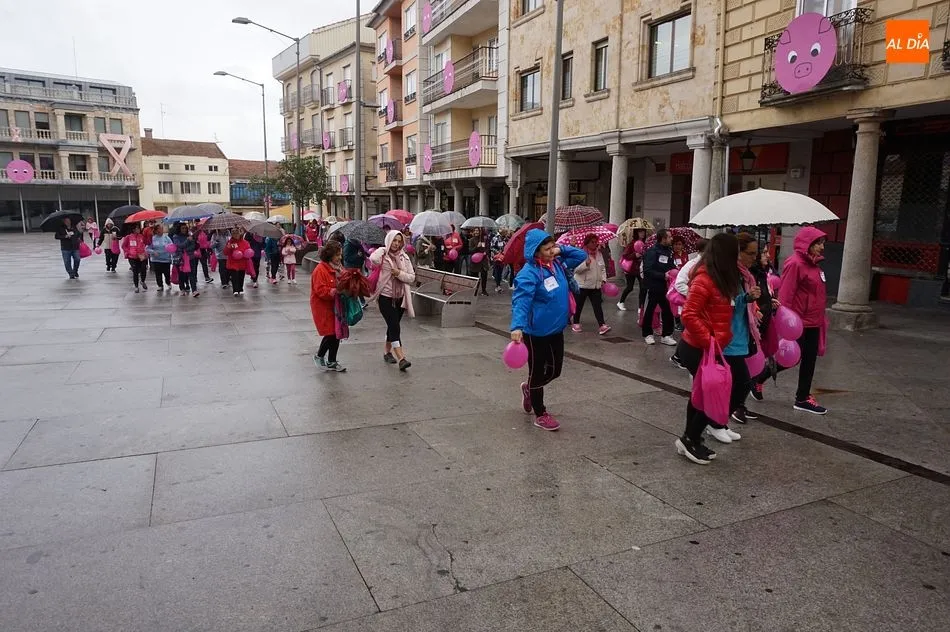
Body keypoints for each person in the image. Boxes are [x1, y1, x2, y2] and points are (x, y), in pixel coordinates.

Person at [673, 233, 743, 464]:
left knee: (702, 394)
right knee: (711, 395)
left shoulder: (719, 278)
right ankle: (690, 439)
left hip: (709, 347)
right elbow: (689, 315)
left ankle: (690, 438)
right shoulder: (704, 278)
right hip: (697, 347)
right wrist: (709, 340)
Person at [510, 229, 588, 431]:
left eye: (553, 247)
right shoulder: (528, 274)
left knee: (555, 371)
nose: (552, 251)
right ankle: (540, 413)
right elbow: (521, 301)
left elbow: (581, 255)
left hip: (557, 328)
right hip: (536, 332)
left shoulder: (558, 264)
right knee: (537, 373)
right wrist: (517, 326)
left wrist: (561, 249)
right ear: (535, 252)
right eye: (547, 249)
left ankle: (529, 388)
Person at [772, 227, 829, 415]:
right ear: (807, 244)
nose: (821, 247)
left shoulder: (815, 265)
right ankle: (759, 377)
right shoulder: (795, 263)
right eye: (818, 243)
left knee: (809, 360)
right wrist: (785, 324)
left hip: (814, 322)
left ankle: (802, 398)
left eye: (823, 243)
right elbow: (786, 295)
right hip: (798, 323)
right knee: (791, 359)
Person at [369, 230, 416, 371]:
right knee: (395, 326)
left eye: (399, 241)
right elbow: (373, 259)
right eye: (394, 240)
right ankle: (401, 358)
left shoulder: (404, 257)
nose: (396, 244)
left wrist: (399, 273)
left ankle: (387, 352)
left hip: (400, 297)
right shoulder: (383, 255)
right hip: (385, 297)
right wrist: (383, 249)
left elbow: (411, 277)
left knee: (392, 325)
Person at [670, 238, 709, 369]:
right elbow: (679, 284)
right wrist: (695, 295)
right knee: (689, 332)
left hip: (702, 307)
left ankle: (678, 357)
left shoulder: (708, 265)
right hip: (691, 306)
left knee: (691, 333)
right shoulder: (692, 265)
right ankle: (679, 357)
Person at [310, 240, 347, 372]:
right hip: (324, 307)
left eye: (340, 254)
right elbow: (320, 290)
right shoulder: (320, 270)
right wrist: (335, 291)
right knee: (331, 333)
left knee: (337, 333)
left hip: (336, 306)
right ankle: (320, 355)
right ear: (330, 254)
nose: (340, 257)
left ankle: (332, 360)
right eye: (337, 255)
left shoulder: (339, 268)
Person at [748, 249, 780, 403]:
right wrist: (755, 309)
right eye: (764, 252)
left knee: (762, 353)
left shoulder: (762, 273)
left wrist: (769, 300)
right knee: (752, 355)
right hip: (755, 322)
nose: (768, 255)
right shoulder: (751, 274)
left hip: (765, 319)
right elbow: (748, 297)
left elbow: (762, 294)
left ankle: (754, 383)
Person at [640, 228, 678, 346]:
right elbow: (647, 270)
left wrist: (675, 270)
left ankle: (666, 335)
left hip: (665, 287)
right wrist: (663, 275)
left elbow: (670, 265)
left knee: (667, 311)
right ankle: (647, 334)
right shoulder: (652, 252)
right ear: (663, 238)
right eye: (669, 237)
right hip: (652, 286)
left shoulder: (669, 252)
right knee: (650, 310)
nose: (671, 239)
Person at [571, 233, 611, 335]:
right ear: (587, 243)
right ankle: (575, 322)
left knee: (597, 306)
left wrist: (603, 279)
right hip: (582, 285)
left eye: (596, 242)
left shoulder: (599, 254)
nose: (595, 244)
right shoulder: (580, 253)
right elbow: (576, 270)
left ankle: (602, 325)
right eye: (592, 242)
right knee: (579, 305)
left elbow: (602, 268)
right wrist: (586, 264)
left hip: (595, 285)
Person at [618, 229, 647, 312]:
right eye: (640, 232)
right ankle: (621, 302)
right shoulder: (631, 244)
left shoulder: (645, 244)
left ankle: (640, 307)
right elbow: (625, 255)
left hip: (641, 269)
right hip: (631, 269)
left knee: (643, 288)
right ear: (636, 233)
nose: (642, 234)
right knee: (630, 287)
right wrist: (635, 255)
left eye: (643, 232)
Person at [172, 224, 200, 297]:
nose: (184, 229)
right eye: (182, 228)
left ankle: (194, 290)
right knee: (181, 275)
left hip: (190, 258)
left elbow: (193, 246)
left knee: (192, 274)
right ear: (179, 229)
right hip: (181, 259)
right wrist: (187, 240)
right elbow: (179, 246)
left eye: (185, 228)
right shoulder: (176, 237)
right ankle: (182, 289)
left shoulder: (190, 235)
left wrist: (185, 250)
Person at [120, 224, 148, 293]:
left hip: (141, 256)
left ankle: (142, 281)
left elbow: (147, 243)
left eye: (139, 228)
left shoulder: (141, 236)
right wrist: (128, 252)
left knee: (143, 269)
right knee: (135, 271)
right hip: (132, 257)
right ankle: (136, 286)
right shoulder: (128, 237)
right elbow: (123, 246)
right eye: (137, 228)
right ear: (133, 230)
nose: (138, 230)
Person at [146, 223, 173, 292]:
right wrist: (153, 252)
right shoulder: (152, 238)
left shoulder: (166, 238)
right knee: (158, 274)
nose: (160, 230)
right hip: (156, 260)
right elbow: (147, 248)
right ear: (155, 230)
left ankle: (168, 282)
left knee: (167, 274)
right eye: (159, 229)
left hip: (166, 259)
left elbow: (172, 246)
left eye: (161, 229)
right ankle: (160, 285)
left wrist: (171, 252)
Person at [225, 227, 251, 296]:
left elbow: (248, 249)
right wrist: (229, 247)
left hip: (242, 262)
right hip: (233, 262)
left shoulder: (245, 242)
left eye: (237, 233)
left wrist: (246, 253)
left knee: (241, 276)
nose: (235, 235)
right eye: (233, 233)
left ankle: (240, 288)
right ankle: (235, 290)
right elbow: (225, 252)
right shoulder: (230, 242)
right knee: (234, 276)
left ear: (240, 234)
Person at [469, 228, 490, 296]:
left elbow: (487, 248)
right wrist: (477, 246)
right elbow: (470, 250)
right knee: (475, 277)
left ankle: (484, 290)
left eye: (478, 231)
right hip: (475, 261)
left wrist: (485, 252)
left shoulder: (484, 240)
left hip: (483, 261)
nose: (476, 232)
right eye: (475, 231)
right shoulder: (471, 240)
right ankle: (474, 290)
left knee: (484, 276)